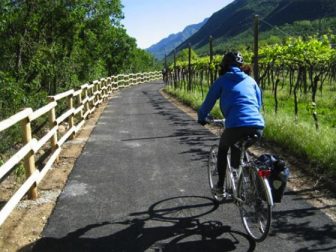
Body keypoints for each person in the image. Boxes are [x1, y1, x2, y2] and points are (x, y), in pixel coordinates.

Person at [197, 51, 264, 196]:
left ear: (224, 66)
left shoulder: (221, 80)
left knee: (222, 149)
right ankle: (246, 179)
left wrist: (202, 117)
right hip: (257, 125)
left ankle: (220, 186)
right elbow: (258, 104)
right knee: (240, 146)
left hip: (235, 125)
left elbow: (208, 102)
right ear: (241, 66)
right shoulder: (251, 81)